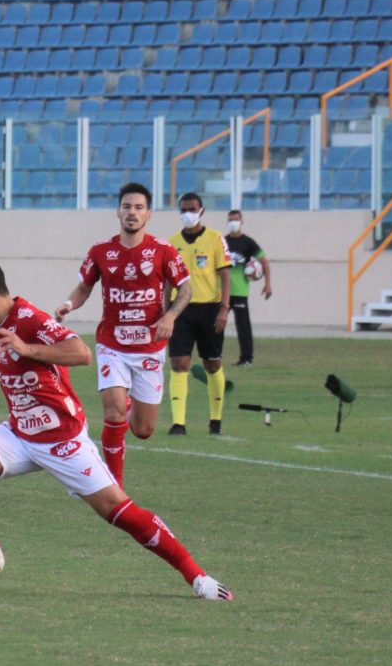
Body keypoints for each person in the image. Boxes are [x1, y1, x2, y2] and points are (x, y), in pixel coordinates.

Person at [0, 257, 232, 600]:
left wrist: (27, 349)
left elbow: (82, 353)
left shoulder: (30, 320)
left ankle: (197, 577)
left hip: (63, 439)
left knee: (121, 513)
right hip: (19, 433)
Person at [53, 183, 192, 487]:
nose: (132, 212)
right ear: (118, 211)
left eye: (139, 207)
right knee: (114, 412)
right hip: (112, 345)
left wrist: (170, 316)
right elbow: (84, 288)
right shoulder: (101, 250)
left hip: (150, 348)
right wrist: (68, 305)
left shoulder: (164, 251)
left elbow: (186, 289)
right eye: (127, 206)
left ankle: (130, 407)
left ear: (148, 214)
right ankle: (114, 485)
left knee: (143, 430)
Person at [167, 193, 233, 436]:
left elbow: (225, 276)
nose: (188, 214)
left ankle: (215, 420)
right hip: (180, 309)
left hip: (210, 308)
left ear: (201, 211)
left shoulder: (215, 239)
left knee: (212, 363)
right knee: (179, 362)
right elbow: (167, 281)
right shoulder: (172, 243)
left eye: (192, 209)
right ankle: (178, 423)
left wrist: (224, 308)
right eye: (184, 209)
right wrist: (165, 312)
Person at [224, 210, 272, 367]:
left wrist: (267, 284)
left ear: (241, 221)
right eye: (230, 220)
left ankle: (246, 359)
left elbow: (264, 262)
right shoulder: (222, 242)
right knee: (215, 325)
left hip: (240, 292)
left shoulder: (248, 242)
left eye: (236, 220)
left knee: (243, 326)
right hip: (223, 292)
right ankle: (213, 357)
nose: (233, 223)